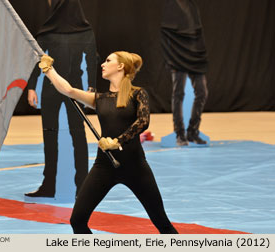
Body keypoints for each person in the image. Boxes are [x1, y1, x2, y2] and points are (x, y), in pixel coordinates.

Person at [38, 51, 178, 234]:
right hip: (104, 167)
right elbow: (69, 90)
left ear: (120, 66)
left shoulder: (138, 94)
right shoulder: (100, 99)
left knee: (162, 222)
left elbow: (143, 122)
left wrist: (117, 141)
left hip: (135, 167)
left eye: (108, 60)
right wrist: (49, 70)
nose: (103, 64)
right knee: (77, 220)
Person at [25, 0, 97, 198]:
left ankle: (83, 185)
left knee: (78, 135)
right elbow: (38, 61)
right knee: (51, 136)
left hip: (74, 89)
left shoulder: (84, 31)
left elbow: (92, 59)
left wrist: (92, 88)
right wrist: (31, 87)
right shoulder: (47, 33)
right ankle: (49, 184)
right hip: (53, 89)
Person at [160, 0, 208, 146]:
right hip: (177, 54)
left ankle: (193, 132)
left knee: (202, 92)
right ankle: (180, 134)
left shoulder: (192, 6)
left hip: (194, 54)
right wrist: (170, 56)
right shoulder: (171, 5)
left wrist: (200, 53)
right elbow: (166, 31)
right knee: (178, 94)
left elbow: (197, 30)